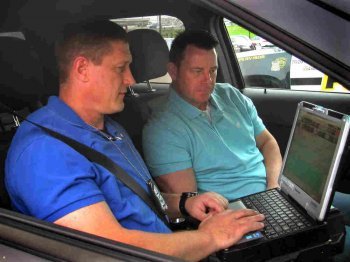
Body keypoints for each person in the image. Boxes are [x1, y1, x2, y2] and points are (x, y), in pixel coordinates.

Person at [5, 20, 264, 261]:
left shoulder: (110, 128)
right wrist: (210, 237)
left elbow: (140, 201)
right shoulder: (44, 152)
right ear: (82, 69)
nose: (130, 79)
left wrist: (184, 203)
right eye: (121, 68)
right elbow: (107, 250)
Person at [142, 30, 282, 201]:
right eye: (197, 71)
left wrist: (273, 187)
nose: (208, 80)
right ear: (173, 71)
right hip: (231, 213)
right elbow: (192, 205)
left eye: (213, 70)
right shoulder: (162, 130)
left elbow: (268, 142)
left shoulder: (231, 96)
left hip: (273, 195)